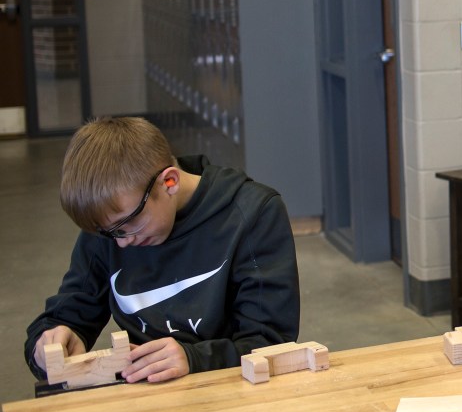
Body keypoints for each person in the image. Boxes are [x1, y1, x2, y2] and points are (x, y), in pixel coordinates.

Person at [25, 116, 300, 384]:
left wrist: (194, 359)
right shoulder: (111, 226)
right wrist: (51, 345)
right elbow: (66, 314)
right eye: (109, 233)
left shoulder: (251, 214)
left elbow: (271, 343)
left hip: (229, 388)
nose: (121, 242)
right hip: (146, 392)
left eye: (128, 225)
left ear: (169, 182)